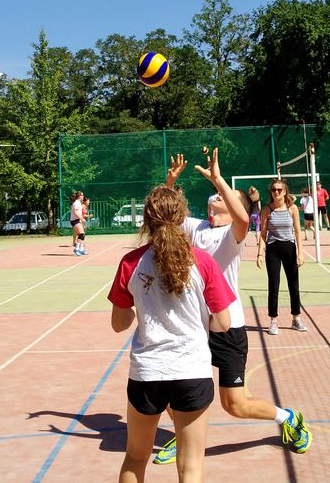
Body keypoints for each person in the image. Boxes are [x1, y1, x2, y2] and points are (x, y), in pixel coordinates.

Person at [156, 151, 312, 468]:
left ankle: (288, 418)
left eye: (223, 195)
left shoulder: (233, 234)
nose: (216, 195)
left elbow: (243, 218)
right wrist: (170, 182)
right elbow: (165, 217)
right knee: (167, 384)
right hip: (195, 327)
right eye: (215, 192)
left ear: (232, 205)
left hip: (228, 327)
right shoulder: (196, 227)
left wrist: (218, 179)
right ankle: (181, 434)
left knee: (235, 405)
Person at [108, 185, 237, 483]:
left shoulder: (131, 263)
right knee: (191, 466)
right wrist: (200, 322)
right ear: (183, 217)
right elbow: (224, 322)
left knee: (135, 457)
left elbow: (119, 323)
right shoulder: (202, 261)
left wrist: (138, 309)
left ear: (146, 219)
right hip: (191, 370)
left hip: (147, 372)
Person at [257, 178, 306, 335]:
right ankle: (273, 321)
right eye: (274, 190)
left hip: (289, 248)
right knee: (274, 284)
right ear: (271, 192)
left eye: (279, 189)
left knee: (294, 284)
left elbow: (297, 231)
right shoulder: (267, 210)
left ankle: (296, 319)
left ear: (285, 191)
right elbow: (263, 234)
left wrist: (300, 253)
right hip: (273, 249)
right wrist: (260, 253)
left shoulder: (292, 209)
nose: (276, 192)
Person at [70, 191, 85, 256]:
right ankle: (77, 249)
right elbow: (75, 212)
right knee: (81, 234)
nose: (83, 196)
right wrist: (81, 218)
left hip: (77, 220)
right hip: (74, 221)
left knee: (82, 235)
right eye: (82, 195)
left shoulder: (78, 203)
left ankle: (81, 249)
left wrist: (80, 219)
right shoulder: (76, 203)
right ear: (79, 196)